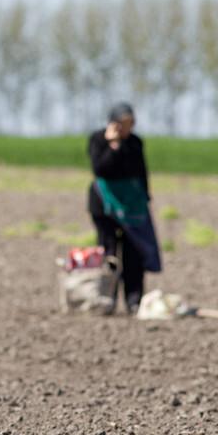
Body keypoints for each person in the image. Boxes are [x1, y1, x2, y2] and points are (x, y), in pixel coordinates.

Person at [88, 102, 161, 313]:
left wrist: (145, 199)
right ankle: (106, 299)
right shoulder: (98, 140)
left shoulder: (135, 143)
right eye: (122, 123)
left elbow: (139, 172)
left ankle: (133, 300)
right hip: (104, 207)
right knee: (108, 251)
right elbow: (100, 169)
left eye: (130, 123)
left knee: (133, 253)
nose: (126, 128)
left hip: (132, 207)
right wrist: (113, 145)